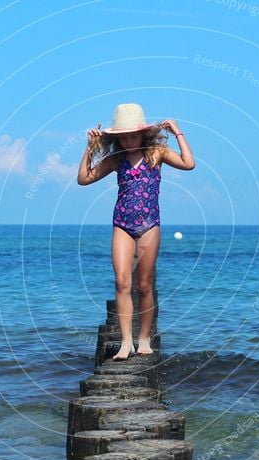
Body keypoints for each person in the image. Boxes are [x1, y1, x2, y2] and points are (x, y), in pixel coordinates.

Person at [77, 103, 195, 360]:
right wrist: (89, 147)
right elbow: (83, 179)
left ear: (143, 133)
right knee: (122, 282)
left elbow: (189, 164)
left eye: (133, 135)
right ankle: (126, 342)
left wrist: (177, 132)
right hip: (122, 224)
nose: (129, 140)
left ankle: (144, 339)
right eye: (124, 136)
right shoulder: (115, 159)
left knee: (143, 286)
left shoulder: (157, 153)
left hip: (150, 225)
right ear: (117, 138)